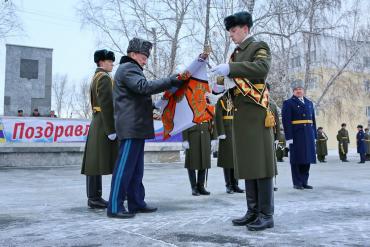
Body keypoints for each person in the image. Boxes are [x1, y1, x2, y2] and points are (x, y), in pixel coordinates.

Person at [210, 11, 275, 231]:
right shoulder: (236, 53)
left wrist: (231, 69)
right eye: (229, 31)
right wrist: (219, 88)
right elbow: (235, 85)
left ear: (245, 29)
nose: (231, 35)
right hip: (241, 115)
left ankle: (266, 214)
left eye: (234, 30)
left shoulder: (258, 46)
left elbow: (261, 69)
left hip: (256, 115)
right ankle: (252, 211)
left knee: (261, 164)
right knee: (248, 163)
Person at [107, 37, 185, 219]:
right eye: (143, 56)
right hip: (131, 127)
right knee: (124, 168)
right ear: (132, 54)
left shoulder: (132, 69)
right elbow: (143, 87)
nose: (145, 60)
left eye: (146, 56)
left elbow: (134, 97)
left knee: (135, 169)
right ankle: (114, 206)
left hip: (136, 126)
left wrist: (155, 105)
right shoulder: (127, 68)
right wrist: (170, 81)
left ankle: (136, 202)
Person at [81, 49, 118, 209]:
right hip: (103, 122)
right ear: (102, 62)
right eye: (109, 61)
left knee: (93, 162)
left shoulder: (96, 76)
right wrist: (111, 130)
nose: (112, 64)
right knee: (95, 162)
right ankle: (95, 198)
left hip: (97, 121)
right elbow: (107, 105)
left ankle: (94, 196)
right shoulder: (104, 78)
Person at [282, 80, 316, 190]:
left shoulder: (309, 103)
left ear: (303, 90)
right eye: (296, 89)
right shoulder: (288, 103)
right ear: (293, 91)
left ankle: (304, 181)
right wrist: (289, 137)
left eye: (300, 89)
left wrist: (314, 135)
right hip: (297, 135)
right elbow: (286, 122)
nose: (298, 91)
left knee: (307, 159)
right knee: (297, 159)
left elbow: (313, 120)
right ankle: (297, 182)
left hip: (308, 134)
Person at [214, 93, 244, 194]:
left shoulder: (237, 99)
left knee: (236, 159)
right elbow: (218, 116)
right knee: (227, 160)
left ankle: (235, 184)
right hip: (226, 132)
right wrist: (221, 132)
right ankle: (228, 185)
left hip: (236, 130)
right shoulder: (221, 100)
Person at [182, 122, 216, 196]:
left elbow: (213, 123)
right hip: (193, 136)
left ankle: (201, 186)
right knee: (191, 163)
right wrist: (185, 139)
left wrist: (213, 138)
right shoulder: (189, 109)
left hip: (206, 136)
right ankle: (194, 187)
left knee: (204, 161)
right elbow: (184, 122)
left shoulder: (208, 110)